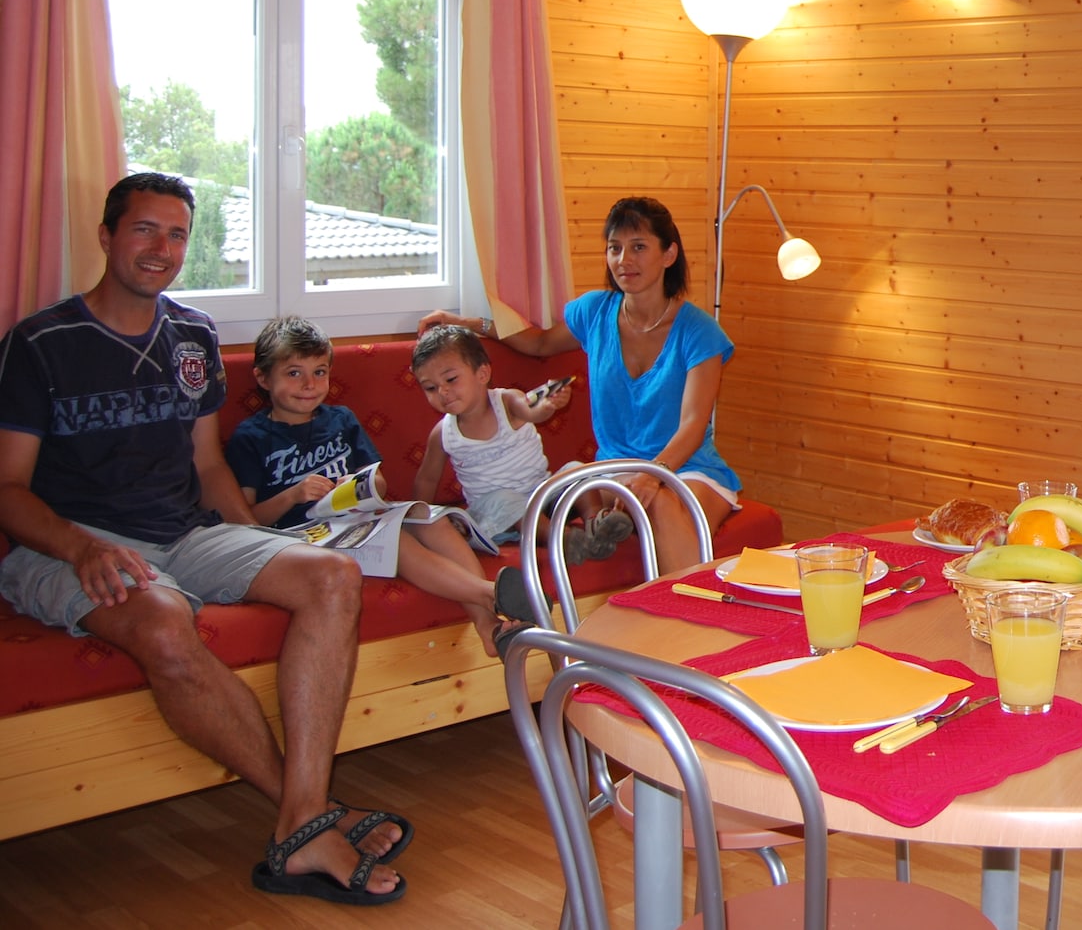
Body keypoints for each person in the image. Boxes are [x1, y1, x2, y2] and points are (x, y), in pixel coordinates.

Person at [0, 173, 405, 906]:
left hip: (186, 531)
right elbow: (8, 489)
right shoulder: (41, 343)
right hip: (71, 543)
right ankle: (308, 820)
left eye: (178, 233)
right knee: (162, 616)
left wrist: (261, 549)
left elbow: (210, 465)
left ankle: (303, 818)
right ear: (106, 235)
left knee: (330, 576)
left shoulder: (192, 335)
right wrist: (84, 550)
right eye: (145, 229)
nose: (162, 248)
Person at [420, 195, 736, 572]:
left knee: (663, 500)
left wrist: (655, 476)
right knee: (571, 481)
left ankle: (692, 619)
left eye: (638, 247)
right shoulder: (595, 311)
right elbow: (538, 342)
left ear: (668, 254)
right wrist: (470, 325)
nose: (624, 260)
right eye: (614, 248)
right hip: (613, 470)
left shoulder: (699, 332)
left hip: (688, 468)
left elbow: (693, 424)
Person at [224, 315, 534, 658]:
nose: (309, 384)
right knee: (396, 540)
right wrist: (294, 494)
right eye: (294, 373)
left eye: (320, 372)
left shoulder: (340, 420)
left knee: (435, 520)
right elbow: (247, 518)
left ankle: (486, 625)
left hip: (358, 516)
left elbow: (379, 481)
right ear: (263, 378)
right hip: (303, 535)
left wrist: (355, 485)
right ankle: (490, 593)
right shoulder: (250, 438)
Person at [409, 322, 625, 565]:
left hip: (542, 495)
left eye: (451, 379)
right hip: (496, 516)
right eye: (430, 388)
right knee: (506, 500)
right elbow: (426, 478)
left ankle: (596, 523)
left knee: (575, 469)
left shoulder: (507, 401)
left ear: (482, 374)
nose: (443, 392)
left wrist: (547, 405)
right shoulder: (443, 433)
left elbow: (532, 411)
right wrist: (420, 518)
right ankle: (562, 539)